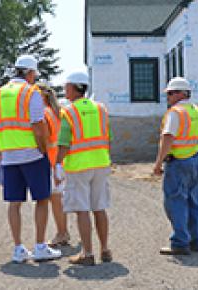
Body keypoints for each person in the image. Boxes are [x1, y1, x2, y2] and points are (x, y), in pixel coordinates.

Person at [0, 55, 61, 263]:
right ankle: (40, 246)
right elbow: (38, 126)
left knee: (15, 203)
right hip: (32, 154)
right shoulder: (31, 92)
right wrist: (43, 152)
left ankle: (18, 249)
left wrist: (0, 155)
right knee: (42, 199)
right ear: (30, 73)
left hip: (9, 156)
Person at [153, 77, 198, 255]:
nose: (168, 97)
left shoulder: (175, 112)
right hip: (194, 161)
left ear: (181, 93)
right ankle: (195, 241)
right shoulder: (197, 111)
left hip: (178, 163)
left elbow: (168, 137)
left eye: (170, 93)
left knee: (175, 201)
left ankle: (180, 243)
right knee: (192, 201)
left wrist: (158, 163)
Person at [54, 71, 112, 266]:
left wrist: (57, 165)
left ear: (73, 87)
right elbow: (107, 135)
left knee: (82, 210)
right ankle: (105, 249)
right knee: (99, 208)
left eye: (66, 86)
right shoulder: (101, 109)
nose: (64, 90)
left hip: (79, 166)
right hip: (101, 162)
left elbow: (64, 142)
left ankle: (87, 253)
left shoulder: (68, 112)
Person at [36, 83, 70, 247]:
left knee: (55, 199)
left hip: (51, 161)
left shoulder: (43, 114)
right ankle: (63, 231)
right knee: (59, 198)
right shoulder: (60, 112)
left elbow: (45, 138)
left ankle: (62, 233)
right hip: (63, 160)